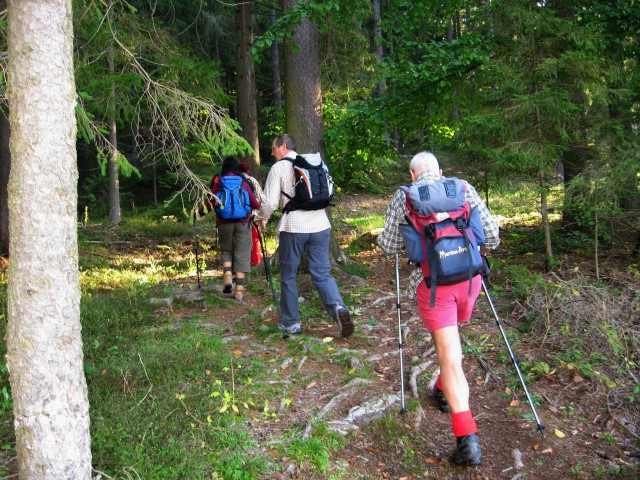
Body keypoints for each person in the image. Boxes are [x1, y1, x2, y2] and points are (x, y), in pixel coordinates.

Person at [377, 151, 500, 466]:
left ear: (413, 174)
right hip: (470, 282)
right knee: (452, 348)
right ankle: (443, 388)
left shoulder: (404, 197)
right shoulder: (462, 188)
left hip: (434, 287)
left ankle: (467, 441)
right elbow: (493, 236)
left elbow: (389, 246)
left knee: (449, 356)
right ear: (440, 172)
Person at [256, 134, 353, 337]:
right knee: (322, 273)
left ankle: (291, 324)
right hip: (320, 226)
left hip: (294, 228)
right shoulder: (316, 164)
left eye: (274, 149)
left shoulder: (279, 168)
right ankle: (337, 308)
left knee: (289, 276)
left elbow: (270, 203)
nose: (272, 153)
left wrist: (259, 218)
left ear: (283, 147)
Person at [198, 156, 260, 301]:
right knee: (242, 253)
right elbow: (255, 204)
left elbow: (209, 203)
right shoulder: (243, 183)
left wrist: (198, 213)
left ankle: (227, 277)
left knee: (226, 249)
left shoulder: (219, 183)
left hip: (224, 222)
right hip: (243, 222)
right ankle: (239, 290)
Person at [238, 162, 264, 267]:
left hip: (239, 216)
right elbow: (260, 197)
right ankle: (255, 261)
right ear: (247, 170)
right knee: (254, 239)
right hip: (253, 214)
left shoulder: (236, 180)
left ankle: (243, 262)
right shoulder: (252, 180)